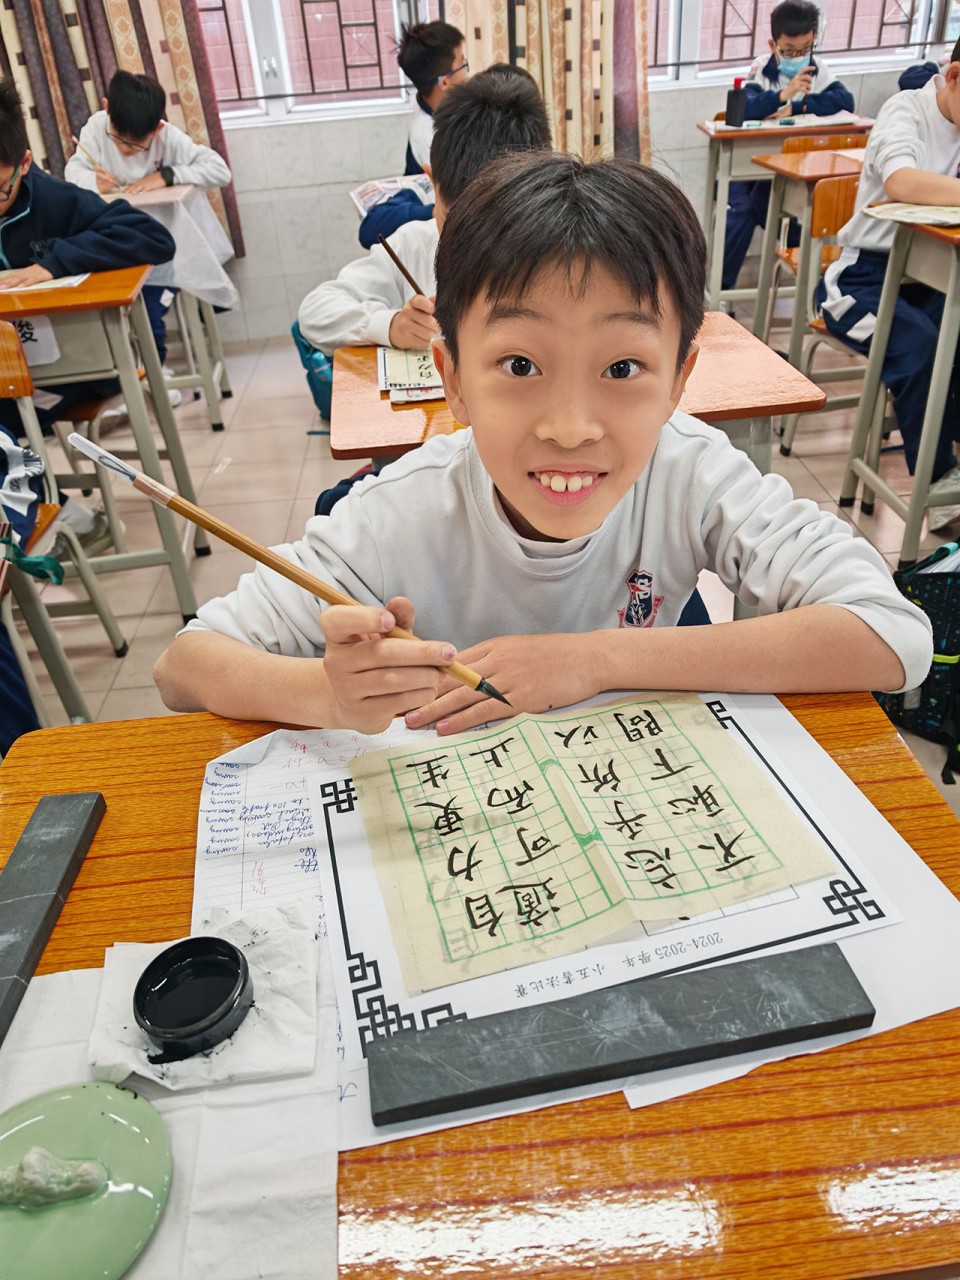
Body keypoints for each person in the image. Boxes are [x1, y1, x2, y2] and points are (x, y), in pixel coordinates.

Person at [154, 153, 931, 736]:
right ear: (454, 379)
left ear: (679, 380)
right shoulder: (396, 514)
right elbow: (183, 666)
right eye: (520, 365)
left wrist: (591, 658)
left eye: (622, 368)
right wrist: (326, 695)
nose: (569, 426)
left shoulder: (691, 470)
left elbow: (893, 635)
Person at [0, 76, 174, 548]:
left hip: (71, 370)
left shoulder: (57, 200)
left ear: (25, 163)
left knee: (4, 424)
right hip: (11, 372)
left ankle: (57, 523)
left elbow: (153, 238)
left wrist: (53, 263)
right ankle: (45, 518)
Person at [296, 66, 552, 362]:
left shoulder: (560, 254)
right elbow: (315, 311)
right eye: (454, 223)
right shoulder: (414, 244)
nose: (474, 245)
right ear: (431, 180)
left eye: (497, 228)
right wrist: (390, 325)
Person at [817, 36, 960, 530]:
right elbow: (903, 182)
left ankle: (949, 462)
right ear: (954, 77)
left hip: (933, 279)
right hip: (862, 281)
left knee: (953, 343)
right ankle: (937, 483)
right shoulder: (907, 110)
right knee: (920, 347)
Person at [65, 69, 231, 372]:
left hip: (166, 252)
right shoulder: (96, 127)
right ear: (106, 107)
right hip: (118, 249)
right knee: (109, 318)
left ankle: (156, 376)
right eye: (118, 139)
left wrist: (167, 175)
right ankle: (138, 378)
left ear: (157, 127)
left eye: (136, 145)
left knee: (148, 315)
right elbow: (72, 173)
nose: (124, 150)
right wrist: (93, 182)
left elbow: (219, 170)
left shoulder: (169, 139)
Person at [722, 0, 855, 292]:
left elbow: (845, 101)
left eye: (806, 48)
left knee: (788, 209)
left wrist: (799, 105)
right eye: (789, 50)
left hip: (789, 173)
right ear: (774, 44)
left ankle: (816, 284)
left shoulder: (818, 70)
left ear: (814, 39)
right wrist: (784, 94)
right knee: (743, 211)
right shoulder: (762, 67)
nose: (798, 56)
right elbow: (746, 108)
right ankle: (721, 289)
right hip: (751, 170)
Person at [396, 20, 467, 176]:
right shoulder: (426, 134)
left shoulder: (443, 107)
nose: (466, 73)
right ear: (444, 82)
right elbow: (458, 184)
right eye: (463, 63)